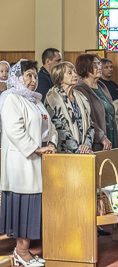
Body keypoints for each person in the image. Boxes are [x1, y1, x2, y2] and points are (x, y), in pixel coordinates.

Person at [0, 59, 57, 267]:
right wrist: (36, 148)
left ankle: (24, 252)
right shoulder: (12, 98)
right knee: (25, 207)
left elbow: (50, 127)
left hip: (38, 161)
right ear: (17, 78)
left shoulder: (35, 100)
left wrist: (51, 142)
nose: (34, 80)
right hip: (21, 163)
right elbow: (14, 129)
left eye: (35, 75)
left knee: (34, 209)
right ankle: (20, 253)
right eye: (29, 76)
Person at [73, 53, 118, 151]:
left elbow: (111, 114)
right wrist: (102, 138)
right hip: (97, 142)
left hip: (111, 137)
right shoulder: (79, 89)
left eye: (99, 64)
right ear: (85, 67)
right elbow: (87, 119)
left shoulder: (102, 86)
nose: (99, 67)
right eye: (95, 65)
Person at [44, 61, 94, 154]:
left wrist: (86, 146)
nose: (75, 75)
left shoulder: (81, 97)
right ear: (60, 78)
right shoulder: (52, 98)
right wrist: (78, 150)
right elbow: (58, 128)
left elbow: (90, 125)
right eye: (70, 73)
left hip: (84, 150)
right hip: (64, 152)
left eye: (75, 71)